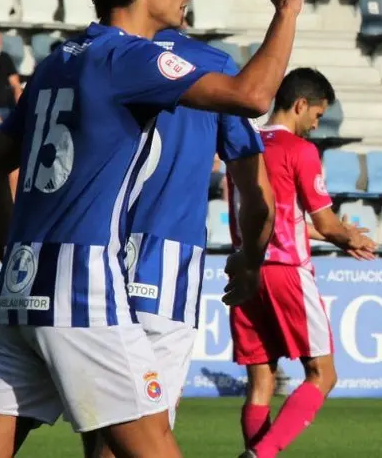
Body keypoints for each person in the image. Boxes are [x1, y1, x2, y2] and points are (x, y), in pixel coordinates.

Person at [0, 0, 303, 457]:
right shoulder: (129, 57)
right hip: (82, 288)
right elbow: (253, 96)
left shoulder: (58, 60)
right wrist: (287, 11)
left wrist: (18, 256)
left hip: (23, 289)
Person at [78, 27, 277, 458]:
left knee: (103, 423)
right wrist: (250, 259)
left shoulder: (92, 55)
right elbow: (259, 196)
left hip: (90, 253)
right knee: (142, 429)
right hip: (165, 261)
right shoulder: (213, 66)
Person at [231, 68, 377, 458]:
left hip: (245, 272)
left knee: (261, 382)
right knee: (323, 374)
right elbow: (326, 222)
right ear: (300, 105)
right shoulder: (299, 150)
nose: (316, 124)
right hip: (286, 273)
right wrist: (350, 236)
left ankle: (256, 451)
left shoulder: (243, 144)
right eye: (317, 114)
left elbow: (275, 216)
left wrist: (335, 235)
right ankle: (259, 455)